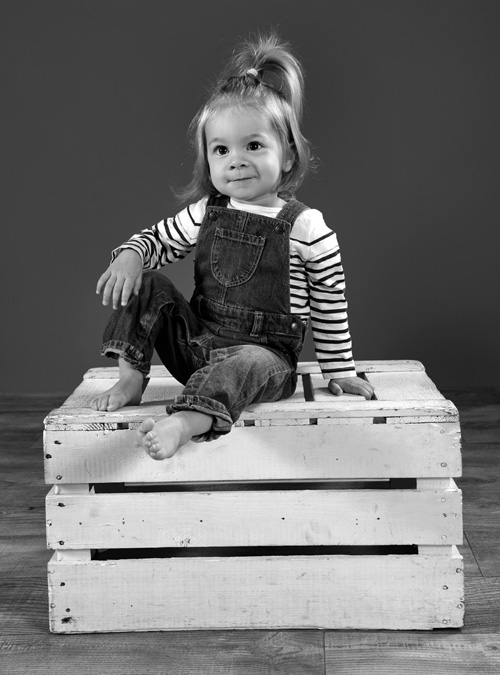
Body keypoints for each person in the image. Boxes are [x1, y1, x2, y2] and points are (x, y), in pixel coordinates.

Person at [93, 33, 374, 460]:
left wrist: (340, 370)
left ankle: (187, 420)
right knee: (149, 283)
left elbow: (329, 302)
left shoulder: (307, 226)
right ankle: (132, 377)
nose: (235, 160)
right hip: (197, 348)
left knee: (250, 361)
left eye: (254, 146)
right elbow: (158, 240)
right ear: (208, 161)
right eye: (221, 149)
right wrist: (132, 253)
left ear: (288, 155)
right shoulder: (207, 211)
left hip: (263, 362)